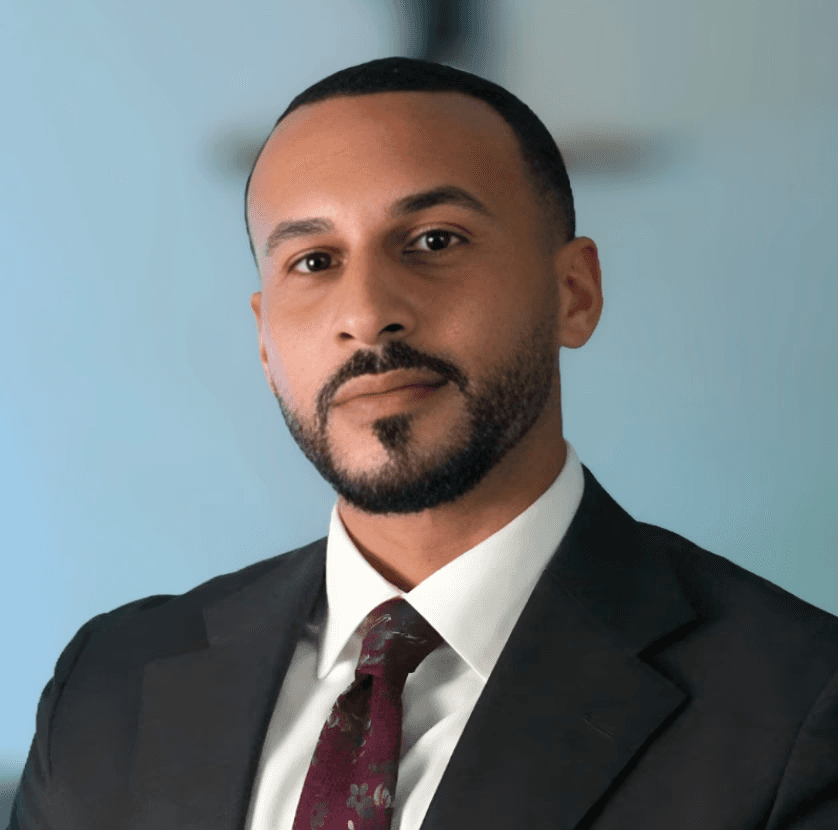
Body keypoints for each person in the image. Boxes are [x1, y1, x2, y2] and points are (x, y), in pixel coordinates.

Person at [9, 56, 838, 830]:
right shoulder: (109, 684)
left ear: (574, 293)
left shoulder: (800, 702)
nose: (366, 312)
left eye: (434, 240)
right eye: (313, 260)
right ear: (266, 343)